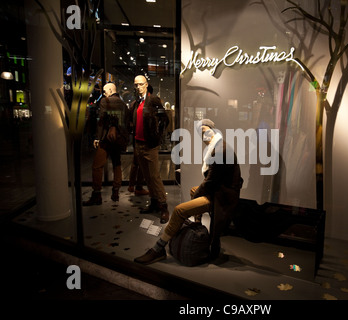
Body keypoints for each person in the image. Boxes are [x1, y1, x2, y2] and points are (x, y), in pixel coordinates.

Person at [134, 119, 244, 265]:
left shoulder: (220, 151)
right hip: (219, 191)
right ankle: (198, 225)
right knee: (194, 191)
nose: (203, 135)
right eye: (200, 133)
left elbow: (210, 182)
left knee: (180, 210)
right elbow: (212, 180)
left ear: (213, 130)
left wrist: (198, 194)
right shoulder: (217, 146)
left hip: (222, 197)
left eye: (205, 131)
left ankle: (158, 249)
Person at [130, 75, 170, 223]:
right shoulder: (136, 103)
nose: (138, 87)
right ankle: (154, 202)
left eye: (140, 84)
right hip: (138, 143)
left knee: (154, 176)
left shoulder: (152, 100)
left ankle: (163, 205)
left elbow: (165, 119)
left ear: (146, 85)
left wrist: (157, 135)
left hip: (149, 145)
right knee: (146, 176)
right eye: (136, 85)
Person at [83, 83, 129, 205]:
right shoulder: (123, 104)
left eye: (104, 91)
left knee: (97, 166)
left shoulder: (104, 101)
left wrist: (98, 138)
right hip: (118, 139)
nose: (103, 93)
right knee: (116, 164)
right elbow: (126, 122)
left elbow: (101, 121)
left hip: (106, 139)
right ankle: (115, 192)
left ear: (110, 90)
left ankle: (97, 194)